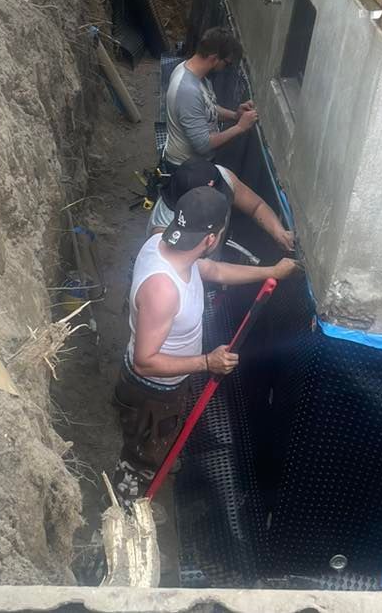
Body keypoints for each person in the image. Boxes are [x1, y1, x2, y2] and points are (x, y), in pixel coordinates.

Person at [113, 187, 300, 502]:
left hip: (166, 385)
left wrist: (271, 272)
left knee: (156, 439)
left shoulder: (160, 245)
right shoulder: (164, 290)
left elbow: (211, 269)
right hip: (153, 390)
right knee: (142, 454)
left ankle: (149, 456)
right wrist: (206, 362)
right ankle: (128, 501)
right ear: (212, 239)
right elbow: (144, 361)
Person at [147, 156, 295, 253]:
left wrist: (279, 232)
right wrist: (273, 272)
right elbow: (209, 271)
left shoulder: (221, 177)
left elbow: (256, 206)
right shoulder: (166, 230)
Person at [164, 27, 258, 169]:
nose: (227, 67)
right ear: (214, 58)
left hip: (196, 164)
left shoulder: (194, 74)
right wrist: (240, 127)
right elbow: (203, 145)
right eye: (227, 63)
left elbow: (206, 107)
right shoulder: (187, 91)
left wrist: (235, 116)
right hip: (185, 168)